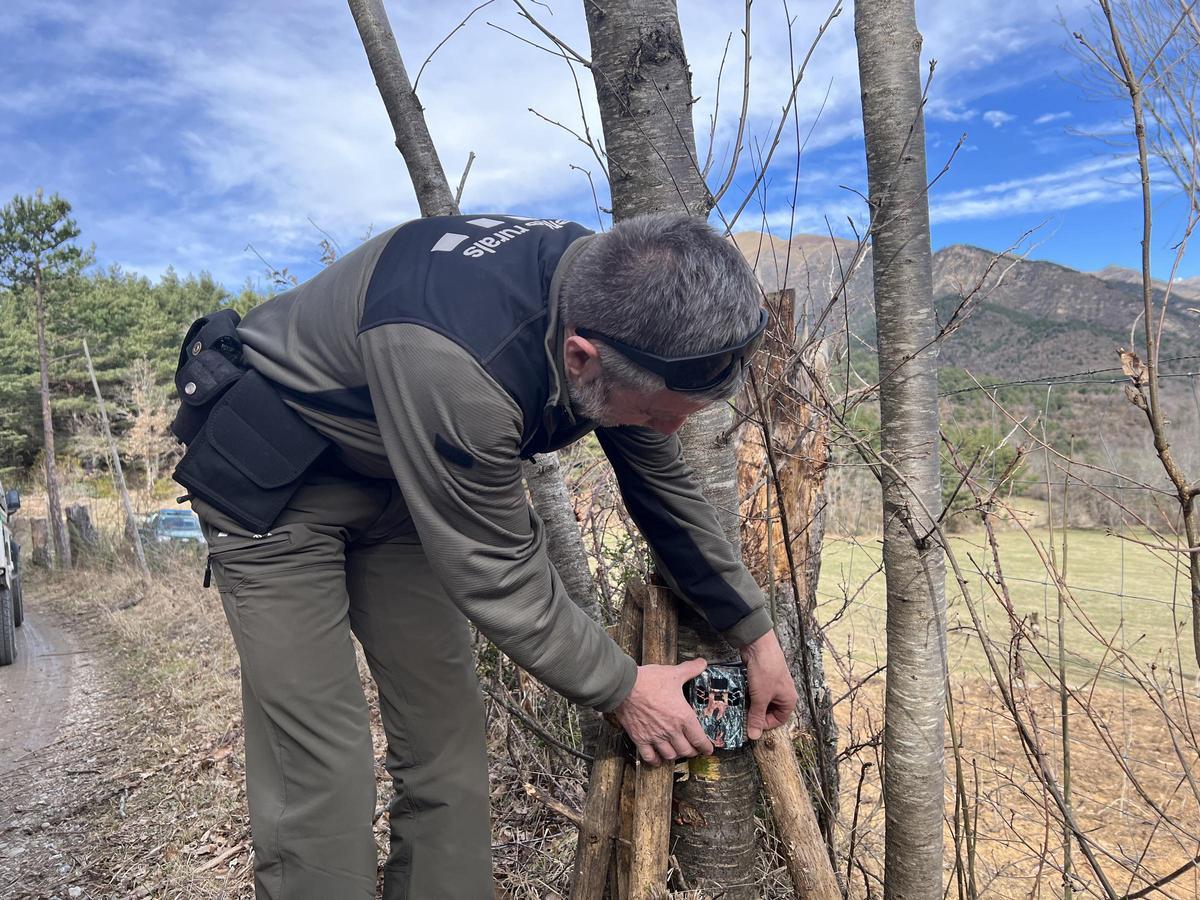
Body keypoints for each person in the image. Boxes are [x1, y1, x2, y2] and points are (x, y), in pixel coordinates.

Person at [171, 211, 797, 899]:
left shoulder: (619, 304)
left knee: (446, 744)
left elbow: (661, 482)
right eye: (657, 413)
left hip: (406, 485)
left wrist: (754, 631)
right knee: (321, 765)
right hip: (276, 487)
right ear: (582, 357)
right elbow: (500, 576)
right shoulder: (460, 360)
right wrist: (622, 688)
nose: (668, 430)